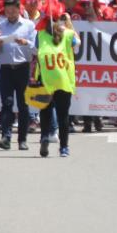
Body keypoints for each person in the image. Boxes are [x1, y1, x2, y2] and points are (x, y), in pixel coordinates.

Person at [0, 0, 38, 151]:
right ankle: (6, 137)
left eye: (13, 10)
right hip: (6, 69)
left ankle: (22, 139)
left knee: (23, 105)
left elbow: (36, 49)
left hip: (22, 67)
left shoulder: (28, 25)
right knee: (7, 104)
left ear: (19, 9)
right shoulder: (0, 26)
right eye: (7, 11)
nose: (10, 14)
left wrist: (26, 42)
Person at [33, 9, 79, 158]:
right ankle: (64, 147)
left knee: (45, 111)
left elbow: (34, 51)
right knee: (63, 115)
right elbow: (77, 42)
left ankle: (45, 137)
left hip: (45, 78)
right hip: (63, 78)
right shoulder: (68, 34)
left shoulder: (40, 36)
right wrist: (69, 25)